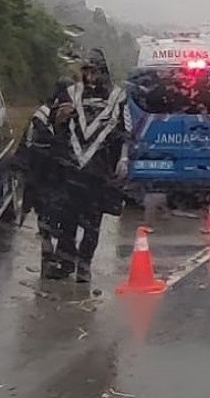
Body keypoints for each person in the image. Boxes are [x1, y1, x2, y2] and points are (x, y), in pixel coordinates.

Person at [47, 49, 130, 283]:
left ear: (102, 72)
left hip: (99, 169)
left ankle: (84, 265)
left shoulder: (117, 97)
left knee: (92, 222)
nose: (89, 76)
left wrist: (123, 158)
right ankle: (65, 263)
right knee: (67, 218)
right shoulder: (72, 92)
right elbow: (55, 123)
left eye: (93, 71)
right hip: (72, 167)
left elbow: (125, 132)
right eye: (85, 71)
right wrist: (59, 117)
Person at [12, 79, 72, 278]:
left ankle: (58, 255)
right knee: (45, 215)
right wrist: (21, 168)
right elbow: (27, 145)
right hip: (42, 175)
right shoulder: (41, 117)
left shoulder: (72, 116)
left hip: (57, 177)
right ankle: (48, 255)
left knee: (57, 217)